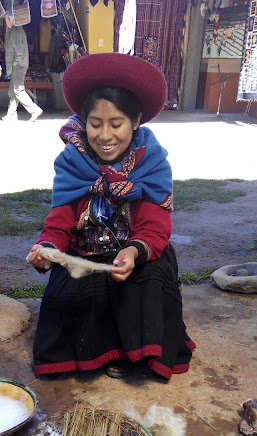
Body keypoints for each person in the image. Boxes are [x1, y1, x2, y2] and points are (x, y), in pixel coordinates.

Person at [27, 52, 195, 380]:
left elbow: (155, 226)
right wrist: (46, 249)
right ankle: (96, 352)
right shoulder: (72, 163)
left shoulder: (153, 164)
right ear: (83, 121)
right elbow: (59, 221)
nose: (105, 136)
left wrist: (132, 252)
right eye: (95, 124)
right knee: (71, 290)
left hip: (139, 250)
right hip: (85, 250)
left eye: (116, 124)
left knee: (146, 280)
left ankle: (133, 354)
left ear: (135, 121)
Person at [2, 12, 43, 122]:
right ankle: (11, 115)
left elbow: (19, 51)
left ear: (11, 19)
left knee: (18, 89)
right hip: (17, 65)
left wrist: (15, 63)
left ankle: (34, 110)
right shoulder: (13, 29)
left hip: (18, 65)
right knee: (12, 91)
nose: (5, 21)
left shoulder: (15, 30)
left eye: (7, 19)